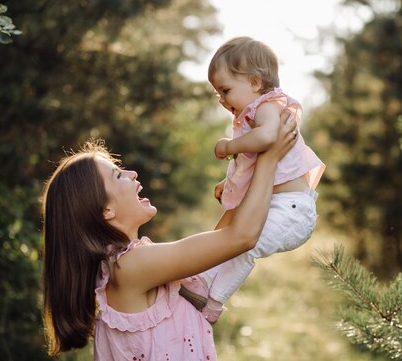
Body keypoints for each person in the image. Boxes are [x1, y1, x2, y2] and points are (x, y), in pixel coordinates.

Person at [41, 111, 297, 360]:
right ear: (105, 209)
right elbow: (241, 238)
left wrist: (240, 183)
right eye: (118, 174)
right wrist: (269, 158)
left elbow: (220, 246)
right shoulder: (129, 266)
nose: (132, 173)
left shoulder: (121, 267)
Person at [182, 36, 325, 323]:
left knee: (244, 245)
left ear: (256, 83)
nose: (222, 100)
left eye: (226, 90)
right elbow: (255, 164)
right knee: (231, 236)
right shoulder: (252, 113)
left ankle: (213, 300)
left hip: (291, 211)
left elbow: (267, 138)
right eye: (217, 94)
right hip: (280, 205)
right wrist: (229, 183)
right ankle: (199, 282)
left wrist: (228, 146)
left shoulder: (268, 108)